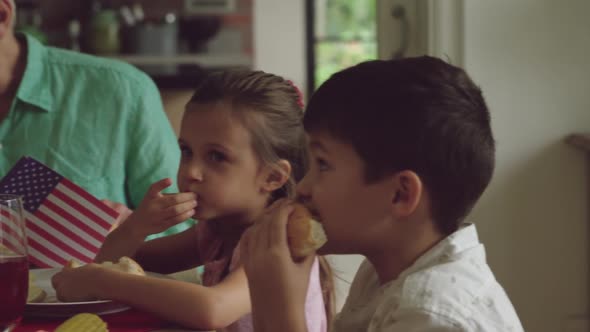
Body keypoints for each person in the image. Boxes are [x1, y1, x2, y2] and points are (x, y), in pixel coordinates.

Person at [240, 56, 525, 331]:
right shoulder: (380, 273)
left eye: (323, 164)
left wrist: (282, 311)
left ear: (400, 195)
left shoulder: (433, 316)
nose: (302, 188)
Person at [52, 70, 333, 332]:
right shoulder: (214, 232)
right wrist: (135, 228)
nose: (190, 172)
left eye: (216, 157)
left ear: (272, 177)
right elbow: (113, 262)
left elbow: (213, 308)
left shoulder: (279, 239)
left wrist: (102, 282)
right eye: (186, 151)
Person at [0, 0, 191, 238]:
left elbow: (186, 238)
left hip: (106, 271)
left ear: (2, 15)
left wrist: (130, 235)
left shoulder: (123, 90)